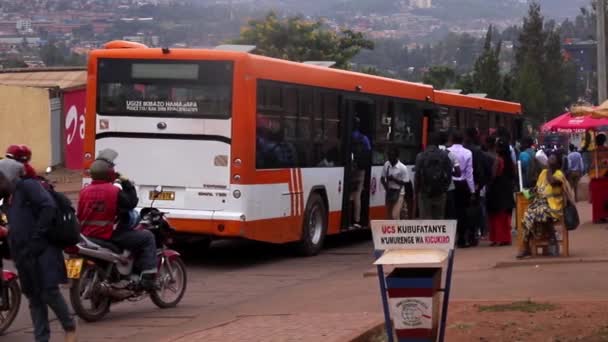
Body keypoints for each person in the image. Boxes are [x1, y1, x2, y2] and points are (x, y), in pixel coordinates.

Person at [0, 158, 77, 342]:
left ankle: (69, 326)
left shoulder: (28, 187)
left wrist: (38, 236)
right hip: (23, 253)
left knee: (49, 291)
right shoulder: (6, 199)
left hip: (43, 249)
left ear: (9, 177)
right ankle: (41, 338)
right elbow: (16, 224)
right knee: (33, 297)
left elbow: (47, 207)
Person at [78, 149, 158, 290]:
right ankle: (148, 278)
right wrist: (127, 183)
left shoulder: (84, 191)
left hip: (87, 235)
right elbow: (131, 202)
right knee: (147, 237)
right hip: (107, 235)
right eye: (112, 170)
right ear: (109, 173)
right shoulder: (113, 191)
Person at [517, 151, 574, 259]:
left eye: (552, 158)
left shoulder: (559, 174)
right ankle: (527, 246)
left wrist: (548, 168)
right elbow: (539, 188)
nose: (549, 159)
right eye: (549, 157)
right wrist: (531, 191)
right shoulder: (543, 173)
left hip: (554, 206)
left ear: (558, 163)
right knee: (527, 215)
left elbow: (552, 182)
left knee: (534, 213)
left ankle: (531, 245)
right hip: (541, 203)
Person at [415, 132, 453, 219]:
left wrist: (417, 191)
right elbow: (449, 174)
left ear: (427, 142)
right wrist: (444, 189)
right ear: (438, 143)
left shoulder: (420, 156)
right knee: (439, 220)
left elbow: (417, 176)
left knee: (425, 220)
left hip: (424, 194)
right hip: (440, 193)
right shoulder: (444, 155)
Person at [486, 139, 516, 246]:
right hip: (507, 190)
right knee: (505, 215)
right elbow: (514, 175)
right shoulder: (511, 162)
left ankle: (496, 238)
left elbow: (493, 175)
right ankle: (505, 238)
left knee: (495, 215)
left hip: (496, 190)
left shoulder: (498, 160)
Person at [449, 131, 475, 247]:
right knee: (463, 212)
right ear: (463, 140)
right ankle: (462, 239)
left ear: (452, 140)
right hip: (463, 184)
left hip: (450, 184)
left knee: (451, 211)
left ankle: (449, 238)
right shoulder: (468, 153)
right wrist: (472, 190)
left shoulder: (447, 151)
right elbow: (469, 173)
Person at [350, 117, 371, 227]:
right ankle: (356, 220)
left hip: (350, 169)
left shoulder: (349, 136)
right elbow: (368, 152)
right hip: (360, 170)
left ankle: (347, 216)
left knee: (349, 194)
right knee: (357, 194)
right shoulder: (364, 138)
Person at [381, 148, 411, 219]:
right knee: (388, 215)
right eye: (389, 156)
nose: (390, 159)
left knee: (395, 215)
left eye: (392, 157)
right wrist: (386, 188)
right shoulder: (387, 164)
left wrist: (394, 179)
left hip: (399, 193)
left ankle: (396, 228)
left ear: (396, 157)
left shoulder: (402, 167)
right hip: (389, 192)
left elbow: (406, 182)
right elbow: (382, 178)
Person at [439, 131, 461, 220]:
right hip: (448, 188)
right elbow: (458, 173)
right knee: (449, 214)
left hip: (432, 188)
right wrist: (449, 172)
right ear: (447, 141)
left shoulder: (427, 153)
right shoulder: (450, 154)